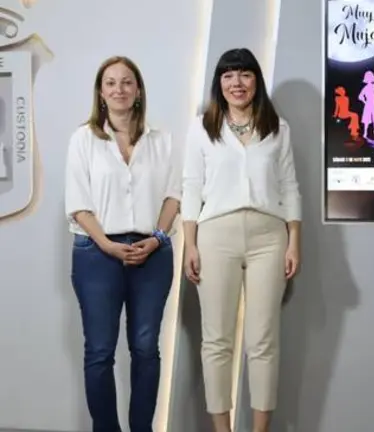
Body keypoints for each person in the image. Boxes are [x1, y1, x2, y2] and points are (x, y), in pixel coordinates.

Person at [181, 48, 302, 432]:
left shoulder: (278, 128)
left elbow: (290, 187)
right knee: (217, 340)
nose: (237, 83)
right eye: (229, 75)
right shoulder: (201, 128)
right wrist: (190, 244)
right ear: (219, 82)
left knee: (263, 340)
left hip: (270, 237)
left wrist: (294, 241)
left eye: (245, 74)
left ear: (256, 81)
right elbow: (191, 186)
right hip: (216, 235)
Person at [64, 55, 180, 432]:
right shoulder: (83, 139)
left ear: (138, 90)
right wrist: (107, 244)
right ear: (100, 92)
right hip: (96, 254)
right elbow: (78, 204)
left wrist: (157, 238)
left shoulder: (161, 140)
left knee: (146, 349)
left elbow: (174, 196)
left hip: (153, 253)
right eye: (111, 83)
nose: (119, 89)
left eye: (127, 82)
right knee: (100, 351)